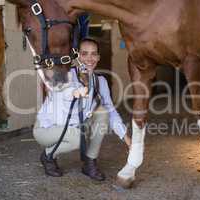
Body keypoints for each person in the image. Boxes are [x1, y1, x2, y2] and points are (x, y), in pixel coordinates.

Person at [33, 38, 131, 181]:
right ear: (77, 56)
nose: (89, 58)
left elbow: (111, 111)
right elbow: (60, 89)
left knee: (103, 111)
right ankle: (48, 155)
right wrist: (74, 92)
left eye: (93, 54)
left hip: (74, 128)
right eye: (84, 54)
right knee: (78, 138)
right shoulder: (66, 75)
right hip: (47, 130)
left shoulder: (100, 81)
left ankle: (89, 163)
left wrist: (126, 137)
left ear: (98, 57)